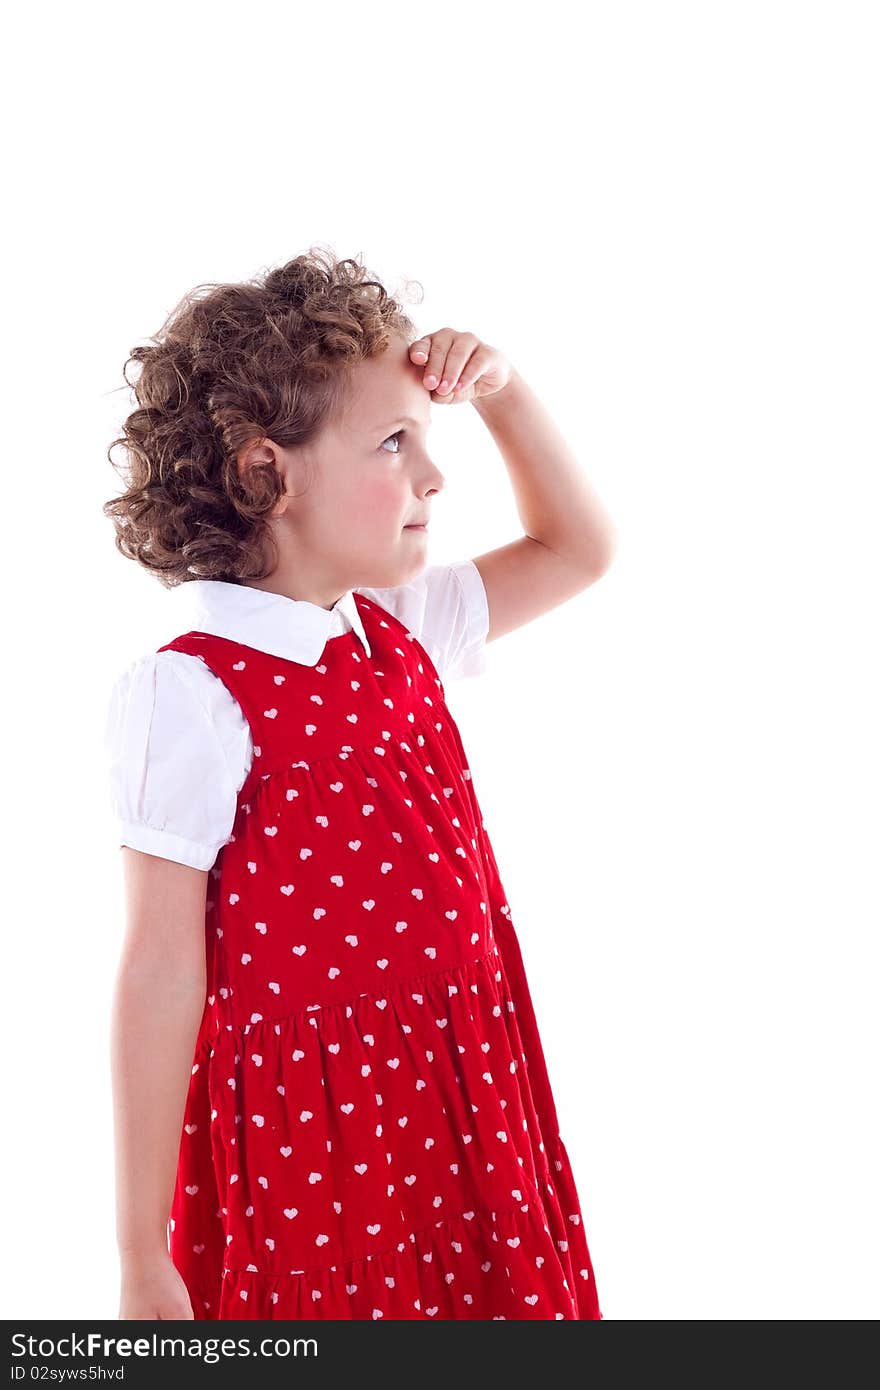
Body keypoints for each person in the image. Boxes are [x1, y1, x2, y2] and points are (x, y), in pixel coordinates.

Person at [103, 247, 617, 1321]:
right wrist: (140, 1252)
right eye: (394, 443)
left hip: (460, 1091)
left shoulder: (399, 627)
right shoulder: (194, 691)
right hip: (323, 1147)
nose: (433, 477)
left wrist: (503, 392)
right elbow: (158, 973)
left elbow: (576, 548)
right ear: (264, 475)